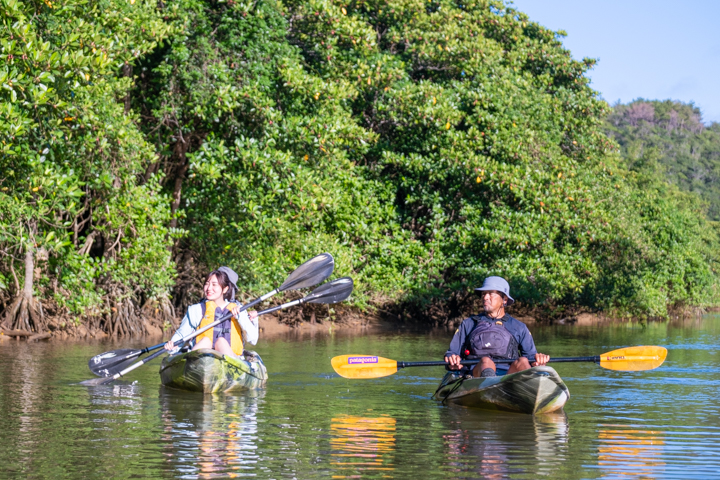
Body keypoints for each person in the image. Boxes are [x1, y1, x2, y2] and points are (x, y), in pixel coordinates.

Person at [444, 276, 549, 377]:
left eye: (490, 294)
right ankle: (489, 383)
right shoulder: (469, 324)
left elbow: (531, 357)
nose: (485, 297)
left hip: (509, 376)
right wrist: (452, 360)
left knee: (523, 361)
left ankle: (530, 385)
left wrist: (538, 360)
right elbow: (452, 353)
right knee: (486, 361)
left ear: (504, 299)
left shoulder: (519, 327)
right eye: (483, 294)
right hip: (476, 375)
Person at [164, 266, 259, 357]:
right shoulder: (197, 310)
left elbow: (253, 340)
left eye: (214, 285)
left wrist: (242, 318)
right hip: (200, 360)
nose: (209, 288)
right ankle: (193, 363)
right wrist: (172, 346)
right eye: (207, 284)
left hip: (231, 360)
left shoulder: (238, 310)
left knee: (221, 341)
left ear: (225, 289)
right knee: (206, 341)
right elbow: (181, 335)